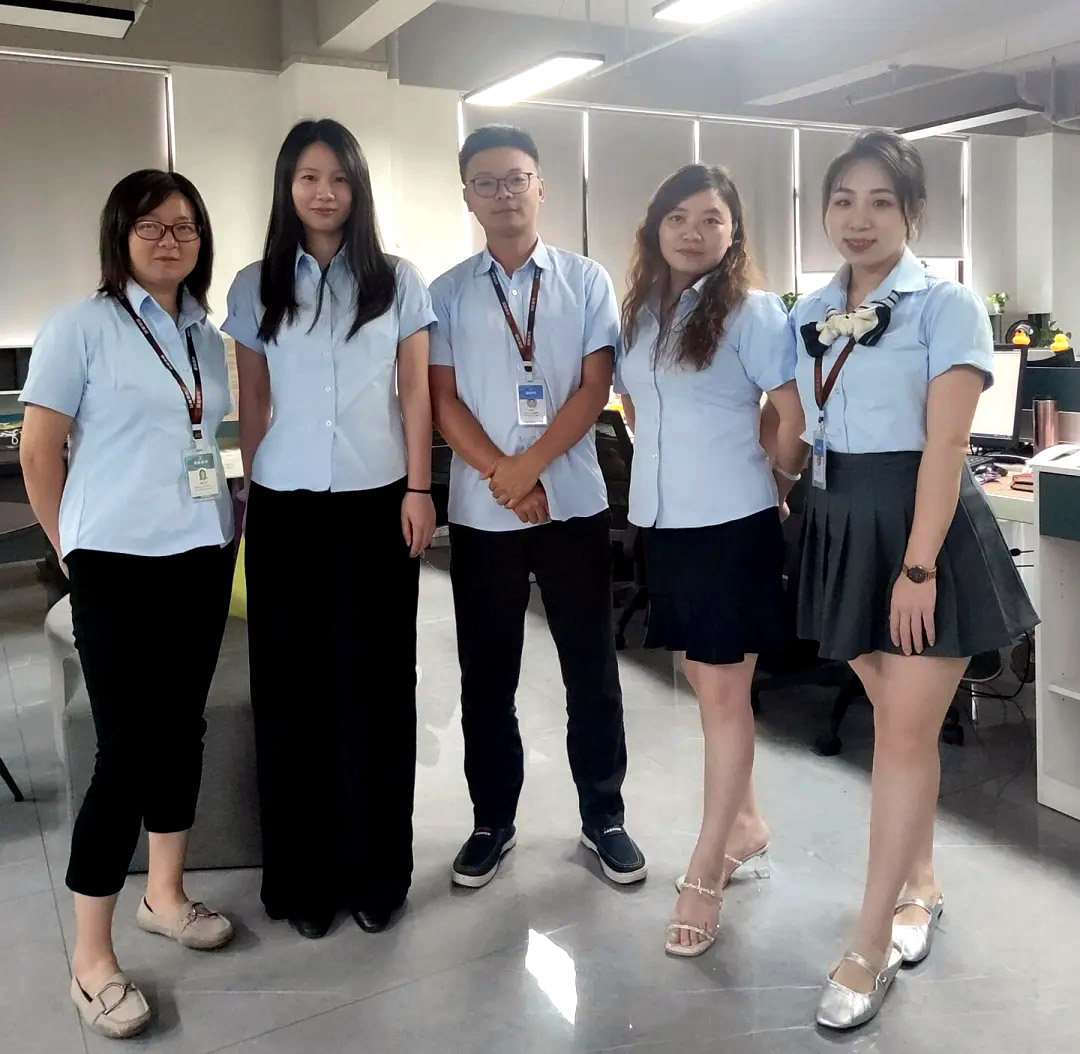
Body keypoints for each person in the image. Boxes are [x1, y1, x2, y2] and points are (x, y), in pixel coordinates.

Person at [791, 129, 1038, 1029]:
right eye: (842, 200)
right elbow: (800, 426)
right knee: (902, 725)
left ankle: (866, 947)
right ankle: (921, 884)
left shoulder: (946, 305)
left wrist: (919, 567)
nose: (858, 219)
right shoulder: (809, 308)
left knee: (898, 739)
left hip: (921, 530)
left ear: (914, 213)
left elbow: (945, 444)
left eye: (880, 202)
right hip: (840, 523)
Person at [20, 170, 235, 1039]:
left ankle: (165, 896)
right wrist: (71, 549)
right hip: (114, 561)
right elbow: (39, 452)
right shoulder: (81, 326)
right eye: (150, 226)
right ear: (120, 236)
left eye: (184, 226)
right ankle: (91, 959)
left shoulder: (204, 332)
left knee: (182, 730)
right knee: (126, 752)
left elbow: (203, 434)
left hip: (199, 554)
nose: (169, 240)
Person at [223, 119, 436, 940]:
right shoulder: (256, 284)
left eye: (339, 178)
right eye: (309, 178)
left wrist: (420, 487)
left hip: (378, 503)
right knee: (293, 694)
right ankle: (304, 879)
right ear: (287, 187)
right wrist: (250, 500)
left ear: (358, 188)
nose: (324, 193)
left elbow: (414, 393)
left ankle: (377, 873)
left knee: (377, 688)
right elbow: (254, 401)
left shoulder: (396, 280)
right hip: (284, 506)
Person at [429, 125, 646, 889]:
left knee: (592, 671)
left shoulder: (585, 280)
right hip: (484, 513)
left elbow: (595, 387)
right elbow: (441, 399)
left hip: (573, 504)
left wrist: (530, 466)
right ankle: (492, 821)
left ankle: (603, 817)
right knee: (487, 680)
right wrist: (505, 475)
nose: (503, 194)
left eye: (516, 178)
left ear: (542, 187)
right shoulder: (445, 292)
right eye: (485, 182)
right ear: (467, 196)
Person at [615, 164, 805, 957]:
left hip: (731, 523)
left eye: (712, 219)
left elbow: (790, 413)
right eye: (679, 217)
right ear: (655, 227)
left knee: (724, 698)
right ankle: (747, 824)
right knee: (705, 683)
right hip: (665, 522)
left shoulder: (753, 313)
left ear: (734, 234)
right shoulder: (639, 315)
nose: (694, 232)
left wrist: (776, 482)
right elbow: (633, 403)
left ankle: (705, 870)